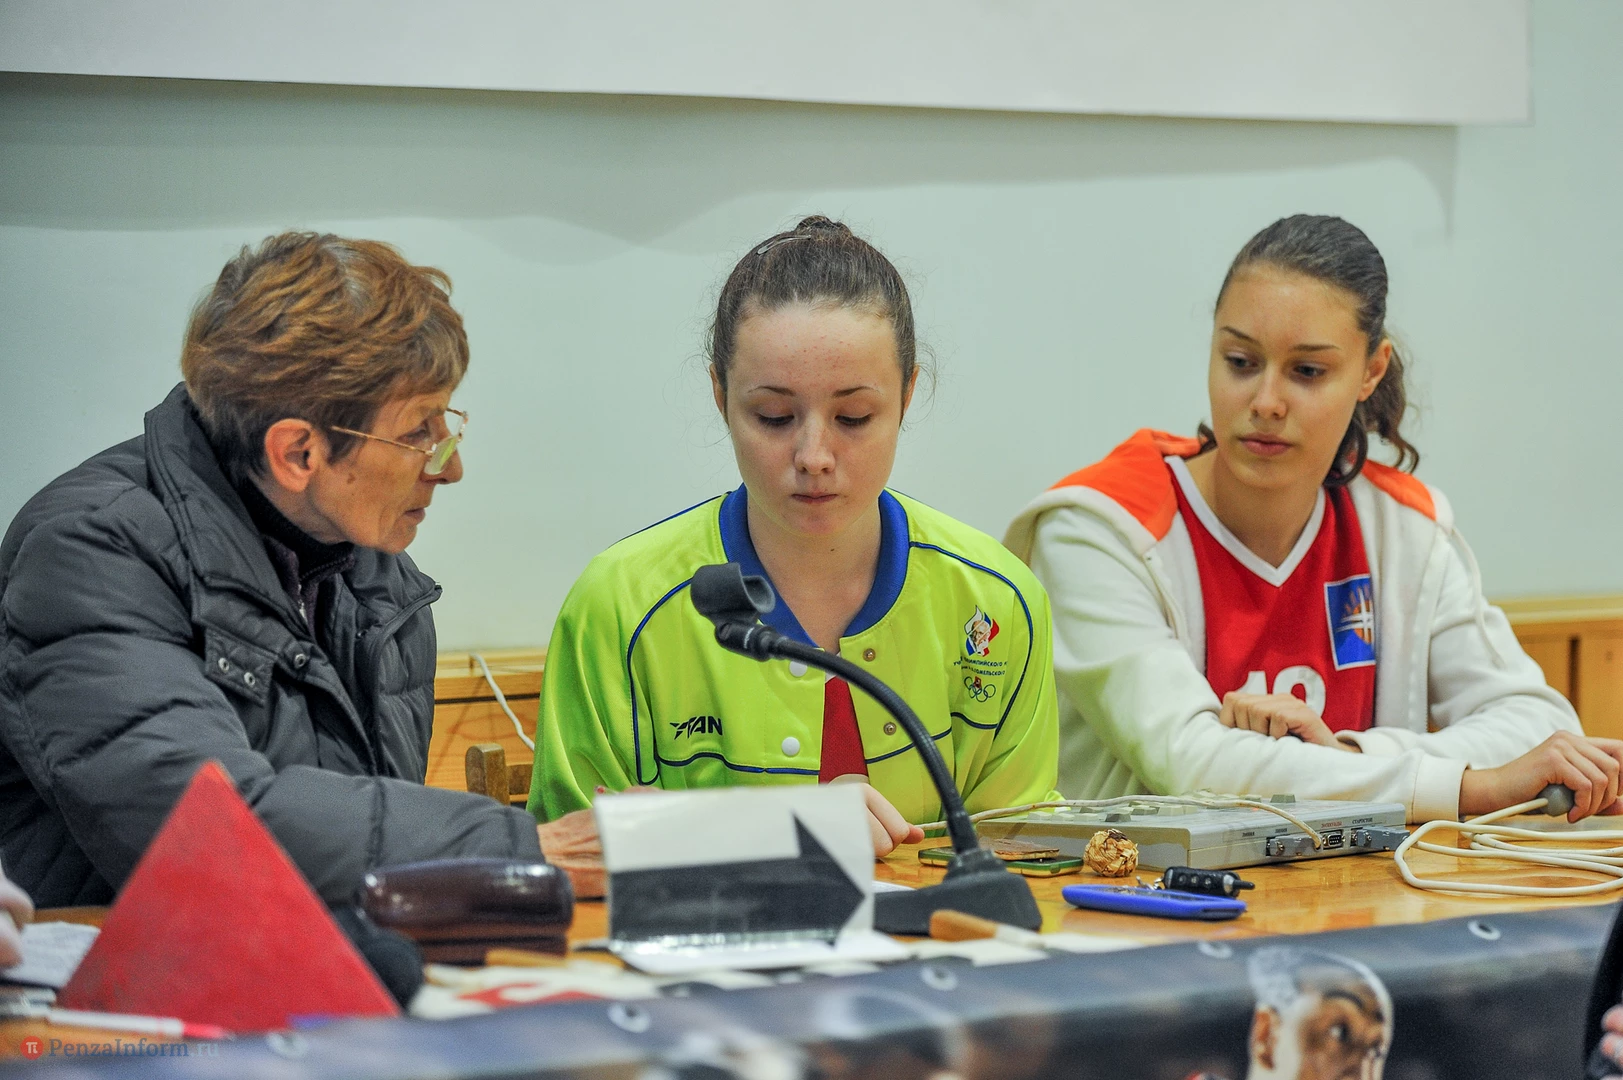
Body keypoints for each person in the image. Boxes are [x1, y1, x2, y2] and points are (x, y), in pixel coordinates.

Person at [0, 232, 599, 907]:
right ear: (296, 453)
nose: (450, 466)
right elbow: (212, 831)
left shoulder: (372, 569)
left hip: (303, 955)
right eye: (417, 433)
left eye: (446, 423)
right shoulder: (88, 550)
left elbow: (360, 845)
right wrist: (519, 851)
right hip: (105, 961)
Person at [1005, 214, 1614, 823]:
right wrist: (1465, 789)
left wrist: (1348, 753)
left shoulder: (1405, 530)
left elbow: (1537, 722)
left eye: (1307, 372)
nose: (1266, 402)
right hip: (1132, 880)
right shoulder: (1098, 529)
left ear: (1371, 371)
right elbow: (1191, 761)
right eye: (1240, 361)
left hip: (1363, 879)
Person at [529, 216, 1060, 855]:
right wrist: (767, 831)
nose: (814, 456)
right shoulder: (617, 605)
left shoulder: (999, 600)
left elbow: (1023, 856)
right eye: (774, 416)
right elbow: (569, 860)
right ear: (720, 395)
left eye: (853, 417)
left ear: (908, 394)